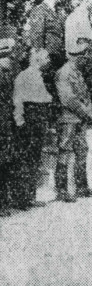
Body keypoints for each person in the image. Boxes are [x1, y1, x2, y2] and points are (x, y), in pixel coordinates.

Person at [54, 38, 92, 202]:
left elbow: (84, 95)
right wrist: (86, 112)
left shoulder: (75, 71)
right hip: (69, 118)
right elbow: (68, 99)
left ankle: (82, 187)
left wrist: (88, 111)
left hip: (79, 118)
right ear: (76, 56)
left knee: (82, 150)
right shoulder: (65, 73)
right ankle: (61, 190)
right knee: (65, 150)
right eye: (84, 56)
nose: (87, 58)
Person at [12, 48, 53, 210]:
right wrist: (20, 121)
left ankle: (29, 196)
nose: (48, 60)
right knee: (27, 159)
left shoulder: (37, 75)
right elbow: (18, 101)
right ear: (35, 59)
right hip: (30, 122)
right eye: (45, 58)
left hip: (37, 120)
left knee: (34, 159)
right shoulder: (24, 76)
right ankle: (22, 199)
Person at [23, 0, 67, 87]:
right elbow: (37, 36)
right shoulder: (40, 10)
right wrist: (41, 59)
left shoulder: (56, 12)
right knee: (44, 88)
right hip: (46, 57)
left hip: (56, 56)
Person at [0, 43, 16, 216]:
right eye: (7, 58)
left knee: (5, 163)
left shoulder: (7, 75)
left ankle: (4, 202)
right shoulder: (3, 76)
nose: (10, 61)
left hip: (6, 125)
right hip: (3, 126)